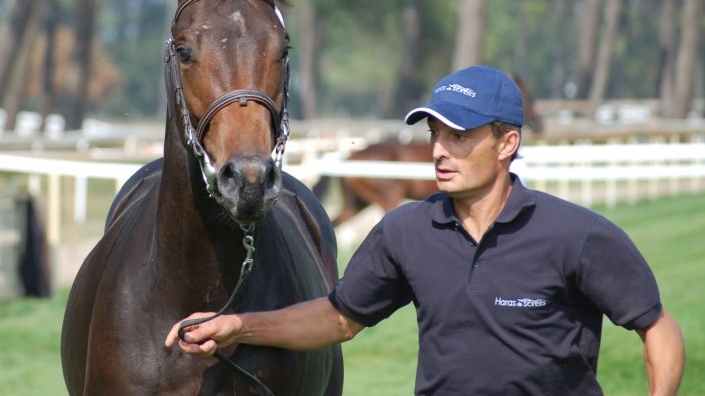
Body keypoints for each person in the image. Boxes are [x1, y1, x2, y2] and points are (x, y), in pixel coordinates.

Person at [167, 65, 685, 395]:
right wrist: (238, 326)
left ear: (506, 144)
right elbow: (338, 319)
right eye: (435, 133)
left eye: (458, 136)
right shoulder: (406, 231)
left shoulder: (577, 235)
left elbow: (657, 327)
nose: (438, 150)